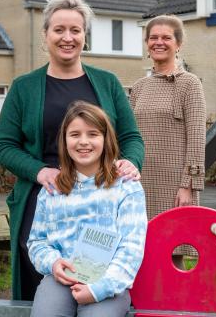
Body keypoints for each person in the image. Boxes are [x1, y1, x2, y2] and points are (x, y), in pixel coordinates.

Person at [0, 0, 144, 300]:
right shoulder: (24, 88)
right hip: (45, 195)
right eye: (59, 29)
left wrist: (130, 162)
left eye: (75, 30)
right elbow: (5, 147)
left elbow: (131, 138)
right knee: (44, 281)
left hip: (101, 194)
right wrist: (40, 171)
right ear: (45, 35)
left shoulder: (108, 83)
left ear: (84, 36)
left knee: (96, 275)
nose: (67, 37)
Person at [27, 102, 147, 317]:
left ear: (105, 139)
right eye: (75, 134)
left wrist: (98, 288)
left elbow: (132, 248)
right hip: (61, 280)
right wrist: (53, 263)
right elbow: (37, 242)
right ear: (64, 140)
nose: (83, 142)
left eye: (92, 134)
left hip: (108, 282)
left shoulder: (126, 186)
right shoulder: (51, 190)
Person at [130, 15, 206, 265]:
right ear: (146, 42)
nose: (158, 42)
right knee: (140, 251)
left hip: (175, 186)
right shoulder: (139, 87)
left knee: (172, 253)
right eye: (153, 37)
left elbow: (196, 137)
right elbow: (128, 135)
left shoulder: (190, 84)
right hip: (139, 183)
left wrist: (188, 185)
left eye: (166, 37)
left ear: (178, 44)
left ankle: (174, 305)